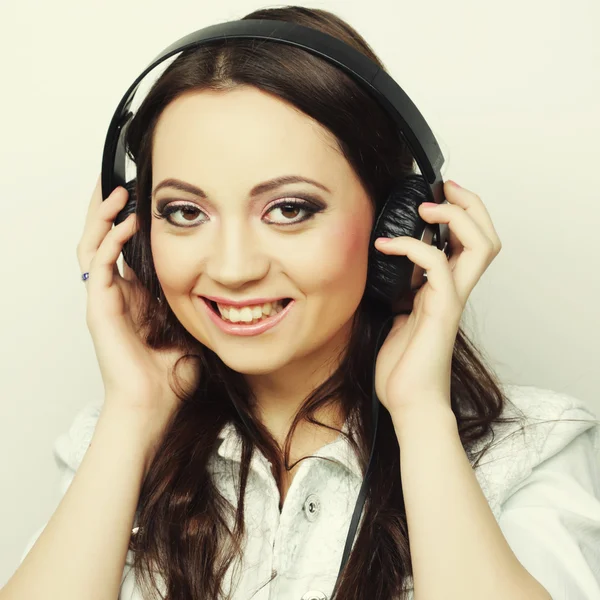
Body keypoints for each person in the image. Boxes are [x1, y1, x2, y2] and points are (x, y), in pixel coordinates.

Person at [5, 6, 600, 600]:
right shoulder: (110, 442)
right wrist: (131, 412)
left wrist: (420, 414)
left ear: (400, 225)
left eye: (290, 209)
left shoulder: (533, 446)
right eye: (185, 212)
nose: (233, 269)